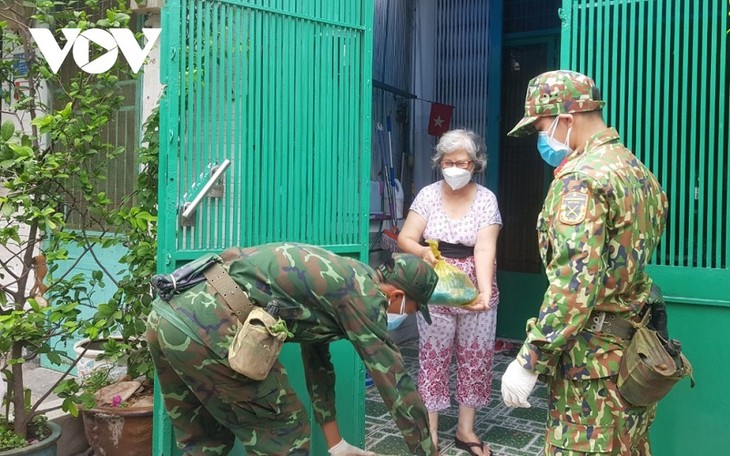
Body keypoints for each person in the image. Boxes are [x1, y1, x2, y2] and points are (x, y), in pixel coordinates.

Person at [500, 70, 668, 455]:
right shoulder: (636, 170)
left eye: (542, 127)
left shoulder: (580, 180)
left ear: (567, 118)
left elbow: (574, 286)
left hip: (591, 366)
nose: (542, 139)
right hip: (632, 355)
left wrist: (530, 360)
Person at [146, 242, 440, 456]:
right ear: (399, 294)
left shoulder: (351, 277)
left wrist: (336, 445)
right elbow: (395, 383)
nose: (409, 313)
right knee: (286, 429)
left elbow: (318, 364)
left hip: (167, 317)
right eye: (414, 308)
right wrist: (427, 452)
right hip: (208, 322)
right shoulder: (366, 298)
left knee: (206, 442)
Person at [398, 129, 501, 456]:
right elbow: (406, 238)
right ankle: (430, 432)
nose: (455, 167)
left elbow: (485, 249)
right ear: (439, 162)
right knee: (433, 357)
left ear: (475, 164)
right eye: (448, 161)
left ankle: (465, 429)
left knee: (476, 357)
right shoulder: (428, 195)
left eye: (463, 161)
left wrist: (483, 294)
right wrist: (423, 252)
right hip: (435, 285)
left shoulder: (486, 199)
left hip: (474, 284)